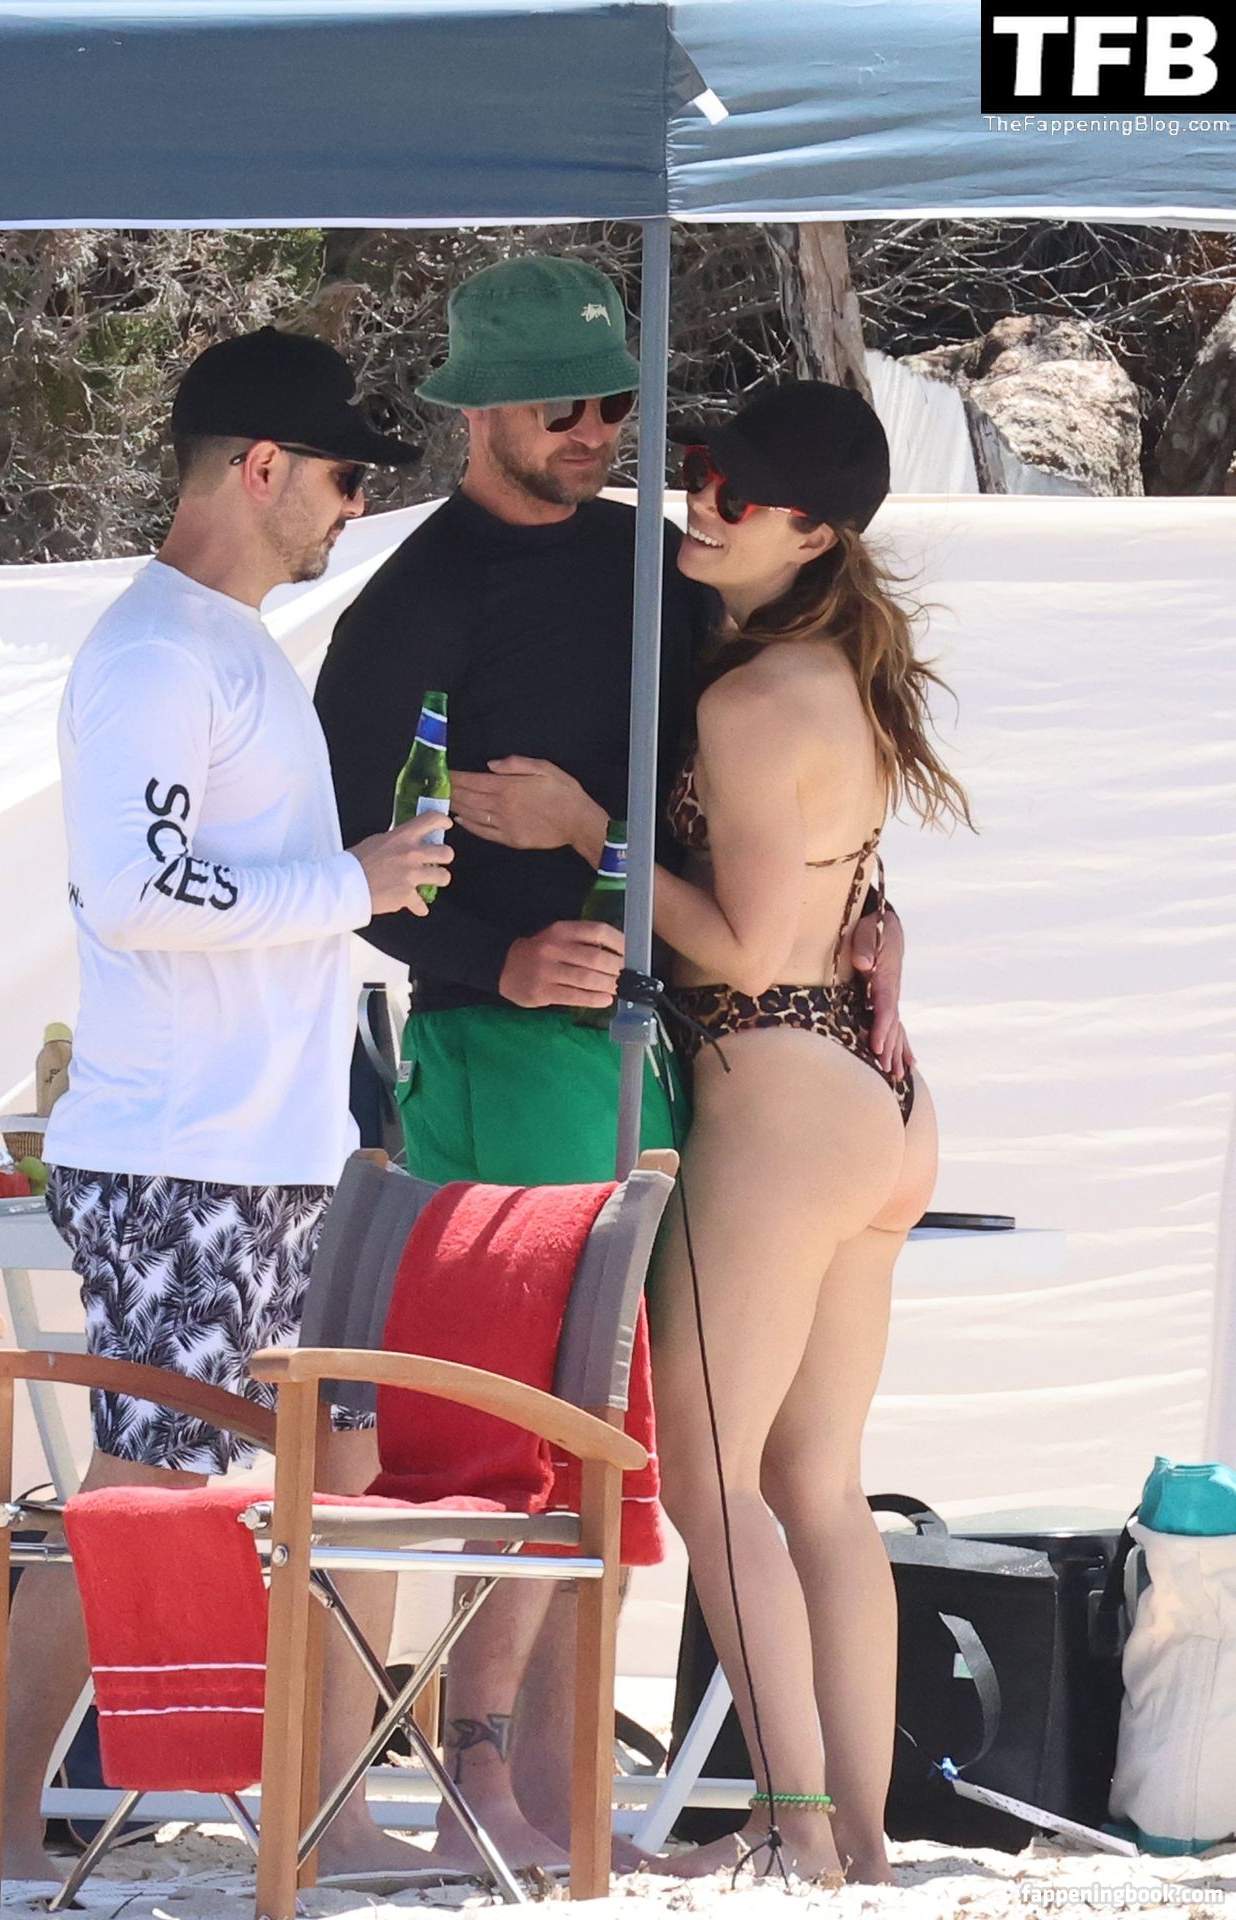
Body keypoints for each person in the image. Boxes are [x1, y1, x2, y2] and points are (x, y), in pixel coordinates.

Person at [316, 263, 909, 1871]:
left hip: (668, 1057)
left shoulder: (663, 567)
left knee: (620, 1445)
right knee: (525, 1427)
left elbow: (778, 804)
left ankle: (567, 1787)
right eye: (564, 408)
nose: (600, 434)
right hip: (507, 1047)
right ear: (480, 414)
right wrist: (489, 960)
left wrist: (868, 918)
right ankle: (484, 1770)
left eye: (618, 407)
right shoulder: (407, 605)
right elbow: (333, 867)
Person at [0, 327, 454, 1890]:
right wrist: (351, 884)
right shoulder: (159, 657)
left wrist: (345, 894)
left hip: (277, 1151)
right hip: (184, 1155)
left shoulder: (224, 646)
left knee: (343, 1475)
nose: (355, 508)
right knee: (152, 1491)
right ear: (262, 466)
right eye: (347, 477)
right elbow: (134, 890)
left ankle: (335, 1814)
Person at [472, 381, 965, 1883]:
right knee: (819, 1489)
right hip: (875, 1100)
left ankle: (799, 1833)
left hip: (777, 1088)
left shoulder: (751, 700)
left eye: (737, 495)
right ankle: (858, 1839)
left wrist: (588, 832)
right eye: (697, 470)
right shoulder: (836, 669)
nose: (702, 503)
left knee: (708, 1479)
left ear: (813, 533)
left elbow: (740, 947)